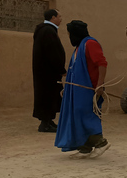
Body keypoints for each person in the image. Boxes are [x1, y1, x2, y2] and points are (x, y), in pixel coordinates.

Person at [55, 20, 110, 158]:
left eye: (69, 34)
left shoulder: (90, 44)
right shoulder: (79, 47)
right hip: (77, 89)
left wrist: (100, 84)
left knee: (86, 115)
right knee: (77, 115)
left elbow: (102, 63)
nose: (69, 37)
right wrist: (68, 88)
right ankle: (84, 147)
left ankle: (100, 143)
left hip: (89, 88)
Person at [32, 9, 66, 133]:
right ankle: (45, 124)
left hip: (46, 72)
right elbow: (53, 53)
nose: (61, 19)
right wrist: (61, 69)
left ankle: (48, 121)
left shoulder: (44, 30)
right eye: (59, 16)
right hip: (48, 73)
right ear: (53, 18)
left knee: (49, 96)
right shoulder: (48, 31)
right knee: (48, 96)